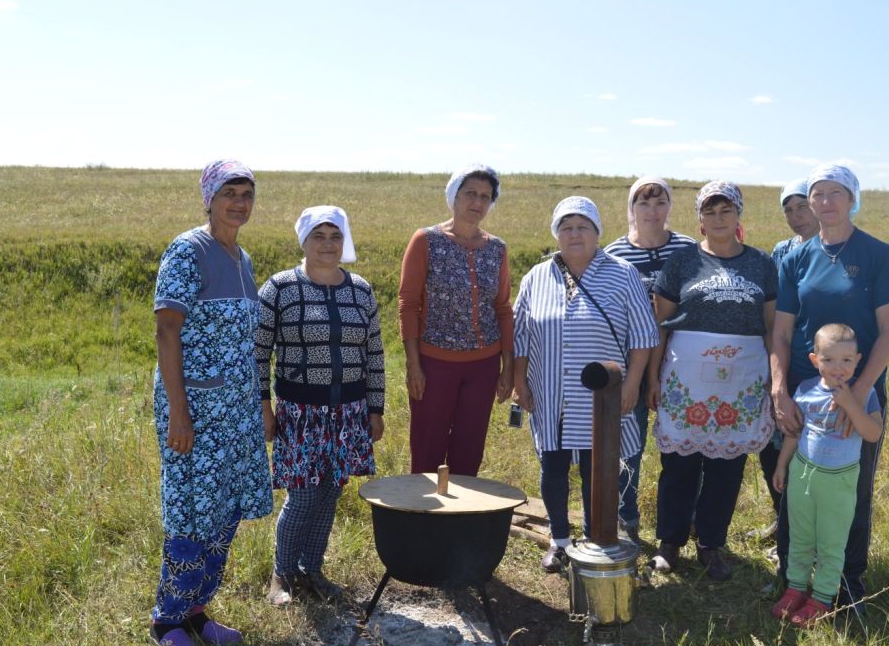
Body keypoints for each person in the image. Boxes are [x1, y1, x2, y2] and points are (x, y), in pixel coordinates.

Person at [771, 164, 889, 615]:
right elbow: (783, 332)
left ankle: (847, 581)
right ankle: (793, 577)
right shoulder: (796, 258)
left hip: (860, 393)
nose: (826, 201)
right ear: (809, 202)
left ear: (852, 199)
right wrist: (779, 390)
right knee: (796, 483)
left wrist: (855, 395)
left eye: (836, 193)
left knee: (852, 488)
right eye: (818, 194)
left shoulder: (878, 255)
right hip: (802, 392)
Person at [150, 159, 273, 646]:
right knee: (191, 513)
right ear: (209, 197)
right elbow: (166, 331)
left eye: (247, 193)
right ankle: (166, 619)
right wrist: (179, 412)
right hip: (196, 410)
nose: (239, 203)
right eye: (230, 193)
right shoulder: (188, 251)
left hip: (236, 413)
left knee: (223, 512)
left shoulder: (241, 258)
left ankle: (197, 611)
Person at [513, 196, 658, 573]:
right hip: (551, 392)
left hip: (603, 396)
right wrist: (519, 382)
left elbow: (643, 336)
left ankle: (597, 539)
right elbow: (521, 337)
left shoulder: (623, 273)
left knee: (600, 469)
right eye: (566, 226)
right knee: (553, 468)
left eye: (583, 226)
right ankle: (559, 540)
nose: (574, 233)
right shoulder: (536, 276)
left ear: (597, 233)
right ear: (556, 233)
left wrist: (632, 386)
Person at [647, 181, 777, 582]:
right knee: (679, 462)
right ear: (699, 220)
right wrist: (653, 376)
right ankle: (669, 542)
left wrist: (775, 381)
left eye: (725, 211)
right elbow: (660, 324)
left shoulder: (761, 264)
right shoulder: (684, 262)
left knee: (728, 464)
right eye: (709, 212)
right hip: (687, 377)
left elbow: (772, 329)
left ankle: (711, 543)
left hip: (742, 380)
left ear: (738, 215)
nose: (718, 218)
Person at [255, 206, 385, 605]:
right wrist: (264, 407)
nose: (327, 244)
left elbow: (375, 353)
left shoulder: (360, 290)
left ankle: (312, 570)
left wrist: (375, 408)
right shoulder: (280, 288)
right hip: (300, 413)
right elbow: (259, 354)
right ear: (304, 241)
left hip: (349, 412)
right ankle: (282, 573)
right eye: (319, 236)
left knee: (330, 492)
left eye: (335, 236)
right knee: (304, 496)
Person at [398, 163, 513, 476]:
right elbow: (408, 304)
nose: (477, 202)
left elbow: (503, 308)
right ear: (454, 196)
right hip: (434, 365)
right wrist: (414, 365)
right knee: (427, 447)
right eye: (470, 193)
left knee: (469, 449)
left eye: (485, 196)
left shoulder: (497, 248)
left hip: (483, 366)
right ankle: (422, 518)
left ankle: (461, 521)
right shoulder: (426, 241)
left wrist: (508, 367)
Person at [770, 324, 883, 627]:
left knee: (831, 542)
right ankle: (795, 588)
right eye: (829, 359)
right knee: (800, 537)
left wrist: (850, 403)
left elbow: (872, 433)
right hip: (803, 474)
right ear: (814, 359)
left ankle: (821, 597)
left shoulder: (865, 393)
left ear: (858, 360)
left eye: (846, 360)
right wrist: (782, 465)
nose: (838, 367)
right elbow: (794, 434)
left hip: (839, 482)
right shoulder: (805, 389)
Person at [604, 176, 695, 543]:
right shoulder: (614, 253)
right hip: (631, 364)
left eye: (660, 203)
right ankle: (627, 519)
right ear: (632, 209)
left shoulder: (689, 249)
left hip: (683, 362)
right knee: (629, 444)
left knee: (684, 446)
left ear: (669, 207)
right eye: (644, 204)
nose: (652, 211)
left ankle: (683, 522)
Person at [752, 178, 821, 541]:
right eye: (788, 209)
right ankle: (783, 519)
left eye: (802, 206)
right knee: (773, 440)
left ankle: (805, 528)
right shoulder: (781, 251)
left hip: (822, 363)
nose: (796, 216)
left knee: (811, 445)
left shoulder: (838, 249)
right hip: (781, 358)